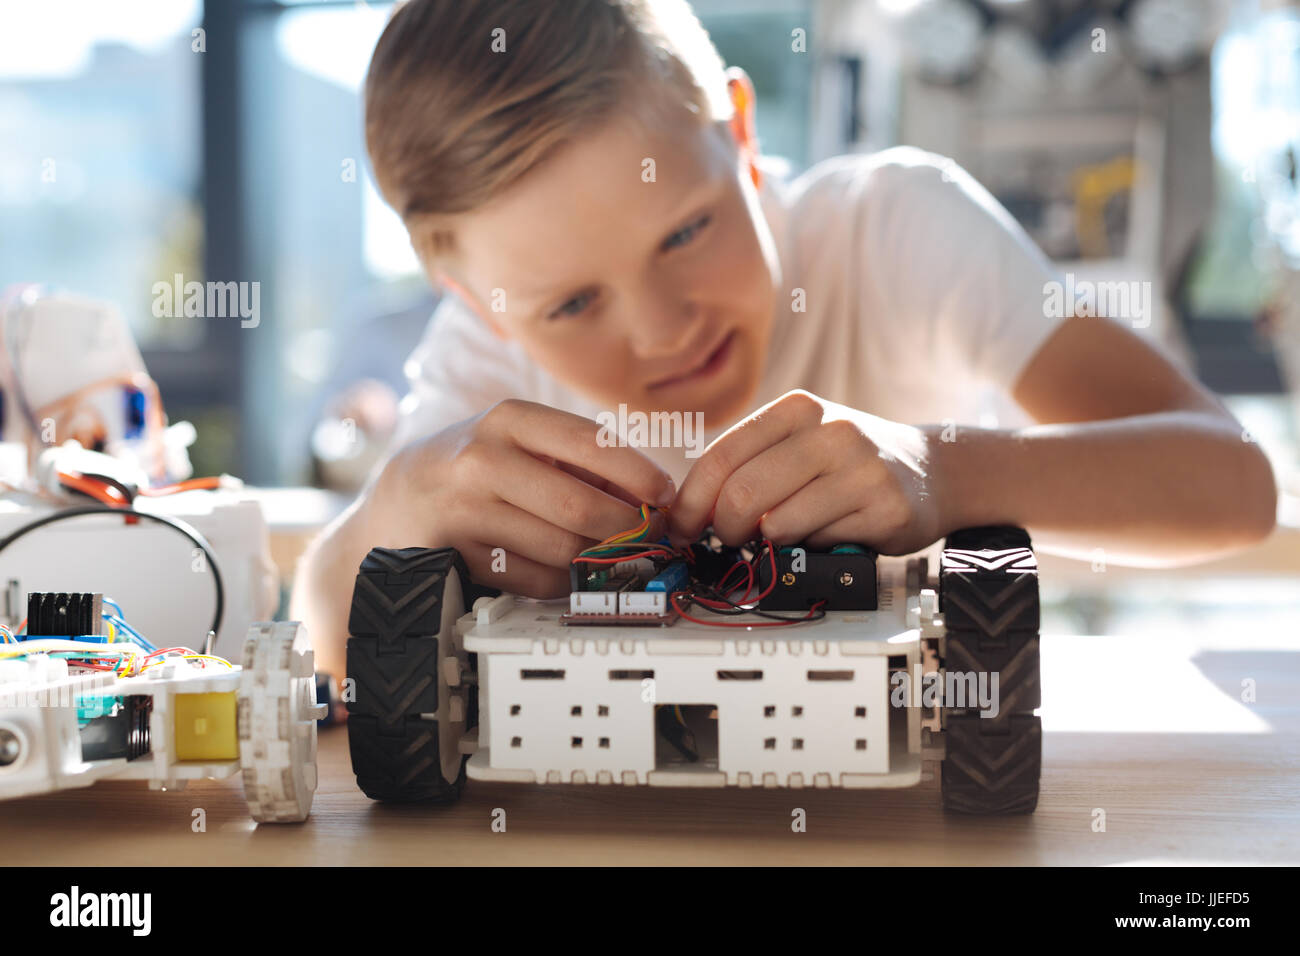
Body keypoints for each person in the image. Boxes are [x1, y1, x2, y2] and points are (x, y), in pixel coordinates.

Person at [292, 0, 1276, 679]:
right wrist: (398, 502)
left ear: (743, 136)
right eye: (571, 307)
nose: (666, 327)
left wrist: (943, 471)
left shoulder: (897, 228)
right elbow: (323, 646)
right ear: (478, 299)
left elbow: (1232, 484)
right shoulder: (484, 358)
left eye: (685, 231)